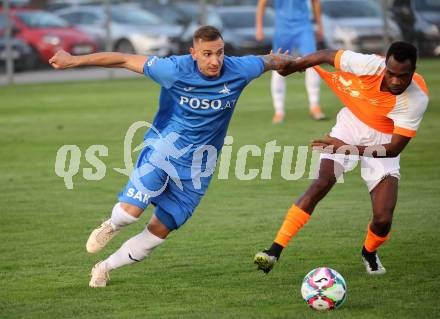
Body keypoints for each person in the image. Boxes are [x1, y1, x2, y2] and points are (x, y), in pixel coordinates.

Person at [49, 26, 291, 288]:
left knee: (158, 233)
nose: (215, 61)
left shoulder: (240, 69)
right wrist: (74, 60)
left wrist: (282, 61)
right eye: (207, 54)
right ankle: (112, 224)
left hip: (200, 167)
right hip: (164, 151)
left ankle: (104, 267)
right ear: (193, 53)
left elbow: (269, 61)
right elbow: (123, 59)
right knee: (129, 215)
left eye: (219, 53)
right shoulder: (173, 70)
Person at [254, 41, 429, 275]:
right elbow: (327, 55)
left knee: (383, 218)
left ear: (414, 70)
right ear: (385, 65)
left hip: (384, 140)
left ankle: (369, 252)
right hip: (351, 125)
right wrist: (295, 66)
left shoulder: (416, 98)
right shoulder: (369, 65)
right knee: (321, 183)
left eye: (403, 76)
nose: (395, 81)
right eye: (391, 73)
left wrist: (346, 148)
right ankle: (273, 251)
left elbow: (394, 148)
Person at [256, 0, 326, 123]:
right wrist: (259, 27)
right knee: (278, 63)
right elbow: (262, 3)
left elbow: (315, 2)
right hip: (282, 27)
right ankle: (279, 111)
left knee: (312, 62)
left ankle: (315, 105)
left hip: (304, 26)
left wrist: (320, 26)